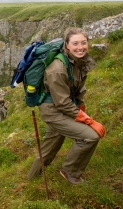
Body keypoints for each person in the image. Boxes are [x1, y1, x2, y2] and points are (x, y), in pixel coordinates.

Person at [27, 27, 105, 184]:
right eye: (75, 43)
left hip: (63, 108)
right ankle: (69, 171)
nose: (80, 47)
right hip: (53, 111)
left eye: (83, 42)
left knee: (49, 148)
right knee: (90, 137)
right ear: (67, 45)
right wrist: (89, 121)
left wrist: (82, 114)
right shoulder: (57, 68)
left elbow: (76, 91)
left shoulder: (77, 62)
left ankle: (31, 180)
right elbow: (62, 102)